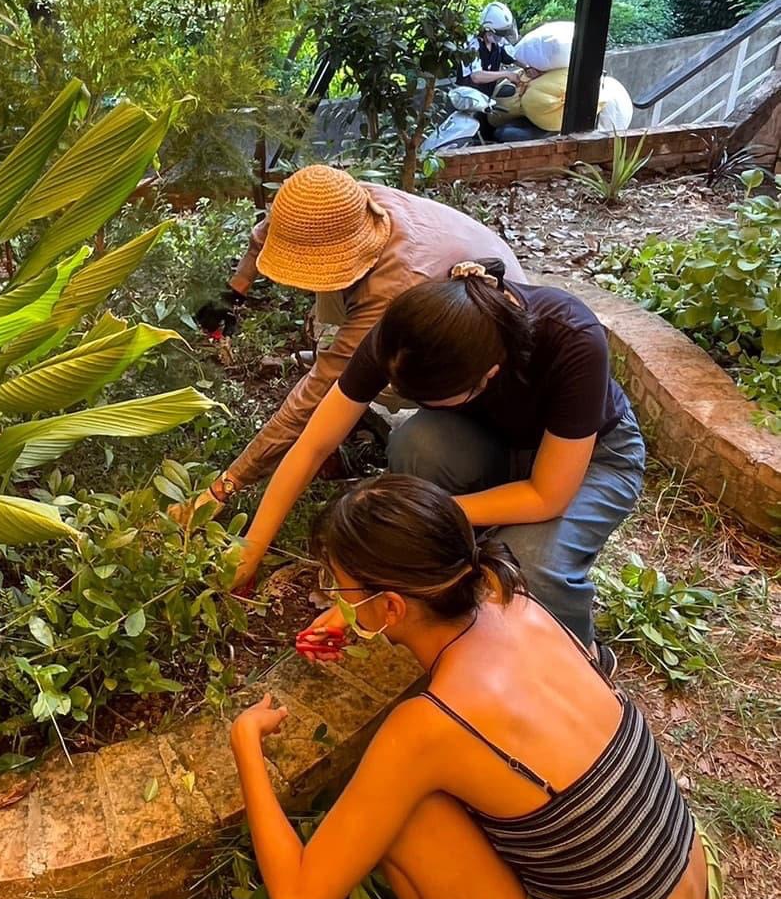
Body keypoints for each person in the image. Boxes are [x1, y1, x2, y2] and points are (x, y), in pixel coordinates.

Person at [230, 475, 732, 899]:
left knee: (403, 815)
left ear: (391, 606)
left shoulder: (428, 728)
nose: (334, 599)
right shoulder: (514, 600)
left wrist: (246, 747)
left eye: (340, 589)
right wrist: (359, 613)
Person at [232, 262, 645, 648]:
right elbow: (313, 444)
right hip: (495, 442)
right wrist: (252, 547)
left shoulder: (572, 336)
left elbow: (546, 495)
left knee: (528, 568)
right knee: (418, 443)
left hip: (592, 460)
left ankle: (581, 659)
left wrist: (422, 516)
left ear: (489, 375)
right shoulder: (409, 335)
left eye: (436, 400)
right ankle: (448, 593)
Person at [185, 166, 523, 517]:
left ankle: (385, 411)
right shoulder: (331, 201)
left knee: (363, 383)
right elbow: (270, 231)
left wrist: (226, 485)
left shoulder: (391, 289)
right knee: (337, 326)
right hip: (452, 246)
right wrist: (235, 290)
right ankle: (339, 363)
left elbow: (314, 396)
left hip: (485, 316)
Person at [457, 1, 521, 90]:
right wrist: (506, 74)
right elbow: (476, 76)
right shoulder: (473, 45)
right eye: (499, 34)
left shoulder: (498, 45)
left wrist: (528, 67)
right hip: (468, 95)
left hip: (487, 94)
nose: (501, 37)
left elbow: (514, 57)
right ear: (488, 31)